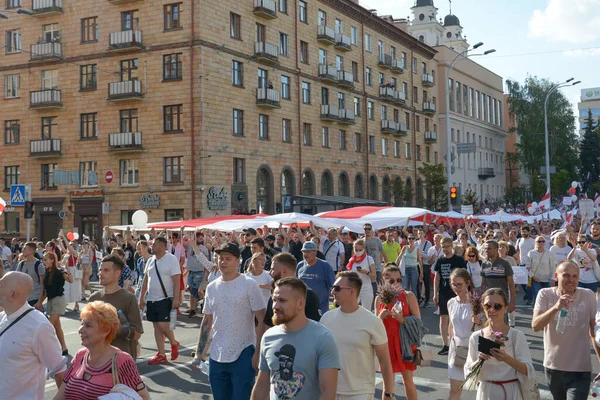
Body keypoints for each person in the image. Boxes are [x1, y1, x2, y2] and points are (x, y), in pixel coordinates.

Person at [193, 242, 267, 398]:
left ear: (238, 261)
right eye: (220, 258)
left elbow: (262, 320)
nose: (223, 262)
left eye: (228, 258)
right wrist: (199, 353)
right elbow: (207, 322)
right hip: (217, 354)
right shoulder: (212, 287)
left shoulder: (249, 284)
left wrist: (258, 352)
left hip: (243, 352)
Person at [251, 277, 340, 400]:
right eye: (274, 300)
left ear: (300, 303)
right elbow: (262, 385)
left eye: (282, 300)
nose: (275, 306)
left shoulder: (323, 338)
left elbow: (328, 394)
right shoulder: (268, 336)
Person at [321, 271, 396, 400]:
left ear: (352, 291)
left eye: (337, 288)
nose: (333, 292)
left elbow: (384, 361)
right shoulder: (326, 318)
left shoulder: (373, 321)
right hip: (330, 391)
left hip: (360, 392)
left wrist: (388, 393)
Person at [53, 301, 149, 400]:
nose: (80, 330)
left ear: (106, 331)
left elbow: (143, 397)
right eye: (82, 323)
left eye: (88, 325)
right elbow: (61, 395)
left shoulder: (121, 360)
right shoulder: (80, 356)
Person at [533, 260, 597, 400]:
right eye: (566, 275)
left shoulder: (588, 295)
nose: (571, 280)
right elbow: (536, 325)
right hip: (553, 366)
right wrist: (556, 307)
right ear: (556, 276)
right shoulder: (545, 294)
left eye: (575, 276)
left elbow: (594, 332)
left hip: (581, 368)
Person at [0, 271, 67, 399]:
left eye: (0, 285)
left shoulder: (39, 326)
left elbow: (59, 371)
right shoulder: (2, 318)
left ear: (12, 294)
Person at [464, 288, 534, 400]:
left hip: (510, 392)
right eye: (488, 306)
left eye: (497, 306)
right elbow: (468, 370)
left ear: (505, 308)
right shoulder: (476, 336)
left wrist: (506, 358)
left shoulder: (516, 335)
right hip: (486, 392)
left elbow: (527, 369)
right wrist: (478, 361)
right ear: (483, 307)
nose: (492, 310)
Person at [375, 264, 420, 400]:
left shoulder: (408, 296)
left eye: (399, 280)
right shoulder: (379, 299)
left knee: (408, 382)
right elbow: (374, 326)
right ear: (384, 281)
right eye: (392, 281)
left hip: (404, 344)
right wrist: (381, 316)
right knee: (387, 386)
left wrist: (402, 319)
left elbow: (418, 321)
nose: (396, 284)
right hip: (386, 345)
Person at [89, 254, 143, 359]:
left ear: (117, 273)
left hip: (122, 362)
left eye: (106, 270)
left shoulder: (128, 298)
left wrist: (118, 329)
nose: (100, 273)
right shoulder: (93, 299)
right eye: (100, 270)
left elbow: (137, 334)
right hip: (98, 360)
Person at [138, 236, 181, 365]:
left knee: (163, 325)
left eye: (155, 244)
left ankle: (174, 343)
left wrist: (177, 298)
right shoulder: (151, 260)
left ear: (162, 246)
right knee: (156, 326)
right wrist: (141, 298)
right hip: (151, 298)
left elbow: (177, 279)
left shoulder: (171, 260)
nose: (152, 246)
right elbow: (146, 280)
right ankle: (161, 354)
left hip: (164, 298)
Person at [261, 252, 321, 331]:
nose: (269, 273)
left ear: (284, 272)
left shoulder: (308, 296)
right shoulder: (274, 297)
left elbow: (314, 328)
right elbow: (268, 326)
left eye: (273, 269)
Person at [447, 268, 482, 400]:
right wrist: (452, 345)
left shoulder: (477, 302)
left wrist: (480, 321)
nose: (456, 288)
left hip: (475, 349)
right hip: (458, 349)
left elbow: (489, 325)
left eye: (459, 284)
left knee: (481, 389)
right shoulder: (451, 303)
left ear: (468, 283)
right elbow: (451, 326)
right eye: (453, 284)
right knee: (454, 390)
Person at [433, 237, 466, 355]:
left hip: (457, 293)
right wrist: (435, 293)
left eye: (447, 246)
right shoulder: (440, 260)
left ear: (452, 246)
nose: (445, 249)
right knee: (443, 317)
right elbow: (437, 278)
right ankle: (445, 344)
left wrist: (465, 291)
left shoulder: (459, 260)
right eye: (443, 247)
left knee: (456, 318)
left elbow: (465, 277)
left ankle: (456, 342)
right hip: (444, 292)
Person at [39, 251, 73, 356]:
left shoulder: (59, 272)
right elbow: (46, 290)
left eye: (45, 260)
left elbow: (70, 280)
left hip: (58, 300)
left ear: (52, 260)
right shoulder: (47, 273)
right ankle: (64, 348)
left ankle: (45, 349)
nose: (43, 262)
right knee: (57, 327)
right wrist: (39, 302)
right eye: (43, 260)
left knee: (48, 326)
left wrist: (68, 269)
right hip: (50, 301)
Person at [297, 240, 335, 315]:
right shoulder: (300, 265)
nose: (305, 254)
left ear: (315, 252)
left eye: (308, 252)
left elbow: (333, 285)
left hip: (320, 309)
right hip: (303, 308)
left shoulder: (325, 266)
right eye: (304, 252)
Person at [345, 239, 377, 311]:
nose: (358, 252)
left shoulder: (369, 259)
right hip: (354, 289)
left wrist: (366, 272)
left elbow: (374, 276)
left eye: (360, 249)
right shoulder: (352, 260)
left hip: (366, 288)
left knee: (366, 311)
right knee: (352, 311)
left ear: (364, 249)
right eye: (356, 250)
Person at [185, 232, 212, 317]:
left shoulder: (204, 248)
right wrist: (185, 232)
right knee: (192, 290)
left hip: (199, 272)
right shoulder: (190, 246)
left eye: (202, 238)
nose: (201, 239)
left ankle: (193, 309)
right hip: (191, 271)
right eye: (199, 238)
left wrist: (205, 273)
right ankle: (193, 307)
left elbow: (206, 262)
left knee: (196, 291)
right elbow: (183, 241)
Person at [15, 241, 45, 309]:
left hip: (34, 298)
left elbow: (42, 285)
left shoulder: (38, 265)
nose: (22, 250)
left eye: (25, 249)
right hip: (23, 299)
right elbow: (16, 280)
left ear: (31, 251)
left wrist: (40, 302)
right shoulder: (21, 264)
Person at [527, 235, 556, 303]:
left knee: (547, 298)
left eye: (543, 241)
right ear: (535, 242)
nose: (541, 243)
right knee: (538, 297)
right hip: (536, 279)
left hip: (547, 279)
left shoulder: (549, 253)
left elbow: (553, 267)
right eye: (539, 241)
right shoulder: (531, 253)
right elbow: (527, 267)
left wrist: (553, 279)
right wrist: (533, 276)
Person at [516, 226, 535, 304]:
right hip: (521, 264)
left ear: (528, 232)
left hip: (529, 264)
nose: (523, 233)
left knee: (529, 283)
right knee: (522, 282)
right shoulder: (519, 240)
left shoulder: (532, 241)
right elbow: (518, 251)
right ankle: (528, 295)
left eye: (525, 231)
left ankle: (530, 298)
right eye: (522, 231)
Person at [416, 229, 433, 307]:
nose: (420, 235)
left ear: (424, 234)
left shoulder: (428, 243)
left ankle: (427, 300)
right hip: (417, 264)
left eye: (421, 233)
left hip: (425, 264)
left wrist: (421, 254)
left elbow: (428, 256)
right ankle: (419, 298)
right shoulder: (416, 243)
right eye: (419, 233)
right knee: (417, 282)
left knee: (426, 283)